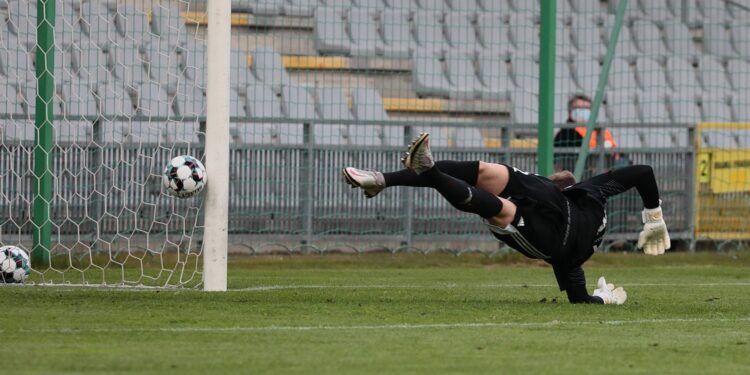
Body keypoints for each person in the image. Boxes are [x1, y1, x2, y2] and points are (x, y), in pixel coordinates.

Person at [342, 132, 671, 305]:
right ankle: (382, 179)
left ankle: (428, 171)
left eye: (561, 175)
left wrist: (599, 299)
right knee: (486, 172)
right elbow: (642, 173)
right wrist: (654, 218)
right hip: (550, 206)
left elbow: (577, 295)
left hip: (552, 236)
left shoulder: (576, 245)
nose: (560, 173)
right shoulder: (587, 192)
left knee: (500, 209)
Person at [554, 94, 620, 174]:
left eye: (586, 108)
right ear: (570, 112)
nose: (582, 111)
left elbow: (616, 154)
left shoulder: (602, 131)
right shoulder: (565, 134)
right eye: (577, 108)